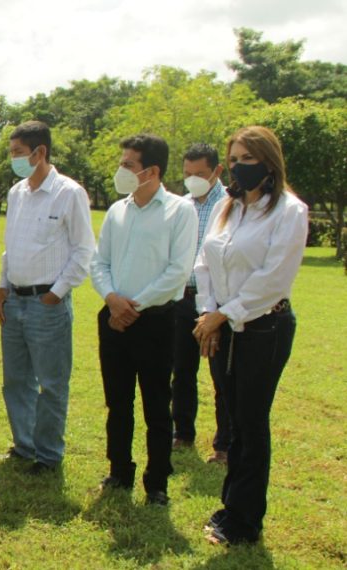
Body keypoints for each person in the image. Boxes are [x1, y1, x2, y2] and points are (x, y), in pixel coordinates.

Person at [193, 126, 307, 546]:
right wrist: (208, 312)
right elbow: (205, 260)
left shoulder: (290, 212)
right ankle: (230, 506)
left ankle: (244, 521)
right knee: (232, 419)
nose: (238, 166)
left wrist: (223, 315)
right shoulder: (228, 206)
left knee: (251, 423)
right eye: (234, 158)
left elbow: (272, 279)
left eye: (245, 158)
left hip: (263, 328)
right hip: (221, 325)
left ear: (268, 162)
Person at [91, 134, 197, 506]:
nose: (121, 171)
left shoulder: (180, 211)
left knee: (156, 404)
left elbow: (177, 271)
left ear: (151, 171)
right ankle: (119, 470)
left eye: (128, 165)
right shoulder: (118, 211)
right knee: (117, 402)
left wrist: (132, 306)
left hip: (155, 320)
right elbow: (99, 262)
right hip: (114, 318)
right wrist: (112, 300)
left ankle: (157, 484)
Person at [0, 120, 95, 473]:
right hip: (15, 300)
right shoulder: (17, 193)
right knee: (16, 381)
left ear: (40, 153)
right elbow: (10, 247)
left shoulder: (69, 193)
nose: (14, 160)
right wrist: (1, 288)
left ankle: (48, 455)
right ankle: (25, 445)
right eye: (12, 154)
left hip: (46, 304)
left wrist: (55, 294)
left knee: (51, 384)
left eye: (19, 153)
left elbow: (84, 250)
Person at [174, 143, 230, 464]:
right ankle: (182, 433)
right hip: (182, 299)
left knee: (220, 376)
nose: (192, 179)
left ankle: (224, 444)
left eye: (200, 174)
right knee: (181, 370)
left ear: (217, 172)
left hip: (215, 301)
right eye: (187, 174)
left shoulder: (229, 206)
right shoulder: (181, 206)